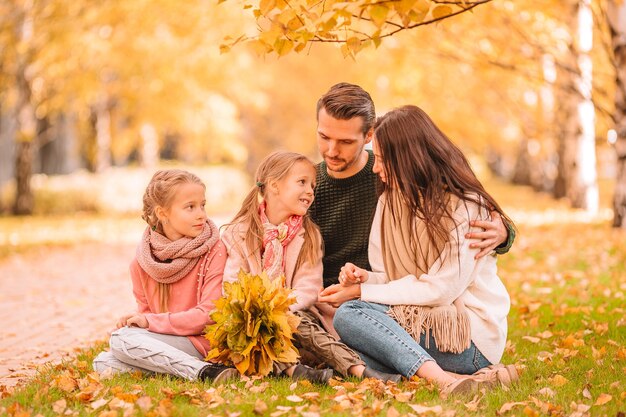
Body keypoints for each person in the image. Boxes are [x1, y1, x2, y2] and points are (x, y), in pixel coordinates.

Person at [299, 83, 513, 376]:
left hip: (457, 332)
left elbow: (441, 285)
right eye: (324, 137)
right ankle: (390, 370)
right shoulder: (382, 194)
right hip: (377, 308)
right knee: (343, 335)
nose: (331, 150)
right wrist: (360, 281)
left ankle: (437, 378)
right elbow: (397, 275)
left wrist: (504, 231)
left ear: (369, 137)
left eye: (346, 142)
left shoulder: (458, 205)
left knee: (350, 321)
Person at [221, 151, 399, 383]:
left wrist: (279, 309)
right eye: (302, 183)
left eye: (312, 186)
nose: (310, 192)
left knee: (294, 320)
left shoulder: (309, 235)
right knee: (257, 329)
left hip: (298, 320)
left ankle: (360, 371)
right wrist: (262, 313)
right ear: (274, 185)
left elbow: (308, 288)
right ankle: (294, 371)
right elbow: (231, 285)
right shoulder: (239, 233)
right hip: (252, 323)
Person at [93, 169, 237, 383]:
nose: (201, 214)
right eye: (190, 207)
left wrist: (147, 322)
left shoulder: (214, 249)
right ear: (162, 213)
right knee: (103, 362)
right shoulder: (143, 262)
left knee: (120, 341)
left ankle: (202, 372)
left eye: (202, 205)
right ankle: (200, 371)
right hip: (168, 342)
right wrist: (138, 321)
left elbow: (209, 314)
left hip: (204, 343)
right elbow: (149, 314)